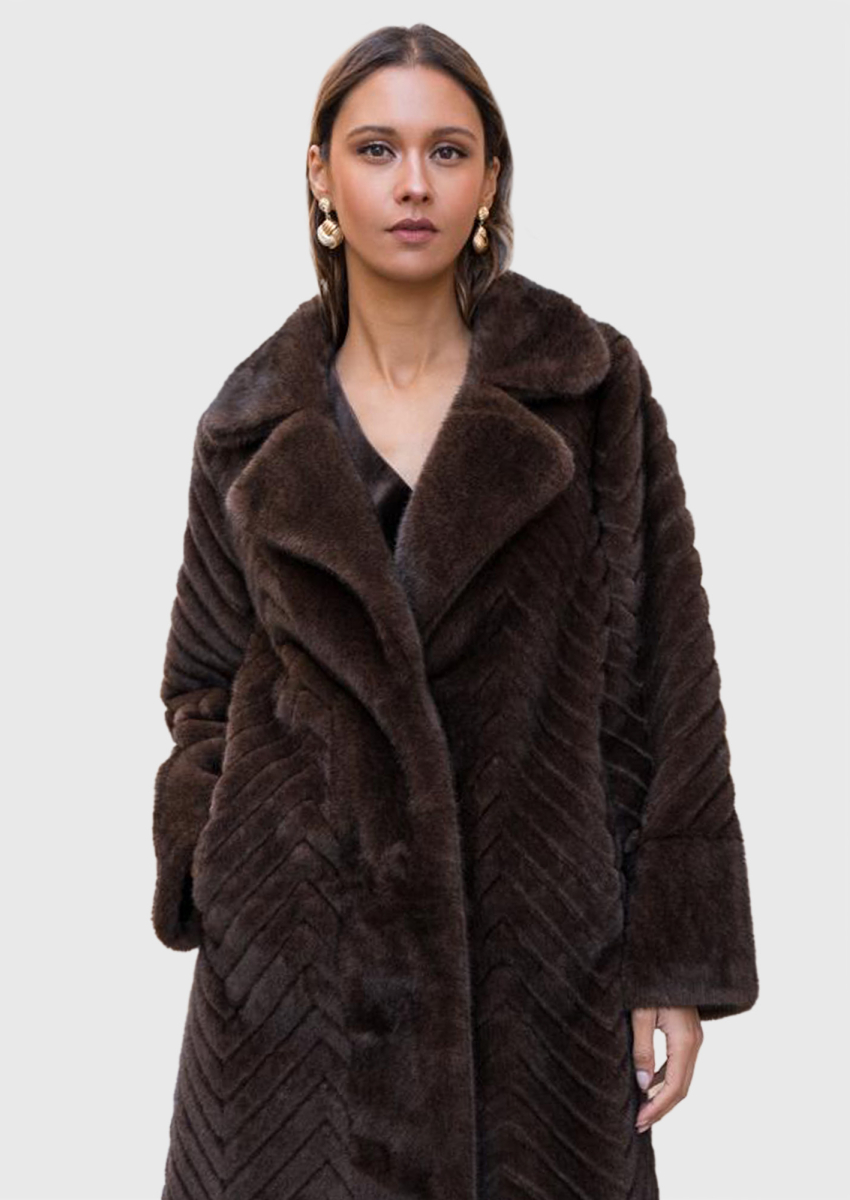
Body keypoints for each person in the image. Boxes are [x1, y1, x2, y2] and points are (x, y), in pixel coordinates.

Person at [151, 23, 759, 1200]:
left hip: (536, 972)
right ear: (321, 174)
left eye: (447, 150)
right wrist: (216, 868)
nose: (413, 184)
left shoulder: (589, 390)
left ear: (489, 180)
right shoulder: (246, 429)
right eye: (375, 148)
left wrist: (671, 963)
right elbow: (203, 689)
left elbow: (664, 677)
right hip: (293, 998)